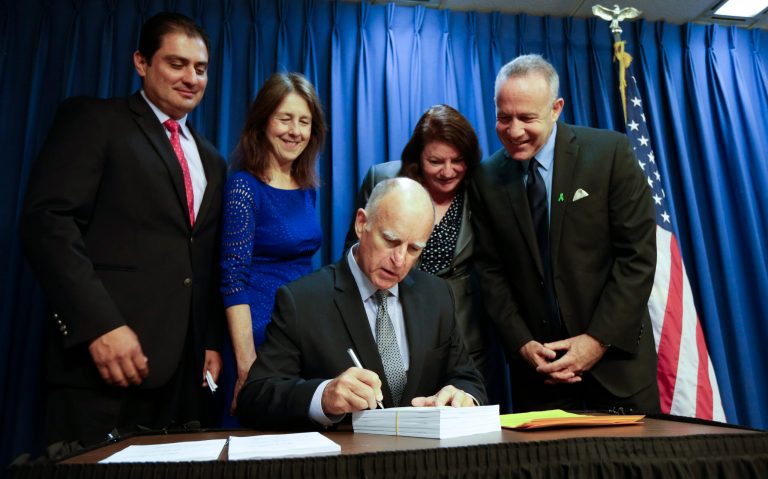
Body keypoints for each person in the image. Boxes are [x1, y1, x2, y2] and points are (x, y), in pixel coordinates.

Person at [20, 12, 226, 446]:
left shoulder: (213, 159)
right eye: (176, 63)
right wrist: (98, 325)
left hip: (182, 381)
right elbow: (48, 224)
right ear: (141, 62)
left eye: (201, 68)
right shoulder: (95, 120)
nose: (191, 77)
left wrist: (207, 341)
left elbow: (200, 259)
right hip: (101, 370)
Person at [469, 54, 660, 413]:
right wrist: (522, 343)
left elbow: (637, 258)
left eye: (527, 118)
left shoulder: (610, 153)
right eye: (503, 117)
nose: (513, 131)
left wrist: (596, 341)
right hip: (540, 378)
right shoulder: (486, 180)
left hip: (617, 373)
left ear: (556, 109)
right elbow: (490, 274)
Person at [237, 178, 487, 428]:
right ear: (361, 223)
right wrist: (323, 397)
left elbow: (467, 379)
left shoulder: (436, 294)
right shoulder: (302, 300)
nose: (399, 260)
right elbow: (255, 398)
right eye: (390, 241)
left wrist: (464, 399)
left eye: (413, 249)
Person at [343, 105, 505, 404]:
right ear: (418, 157)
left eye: (457, 161)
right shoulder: (383, 177)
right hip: (390, 326)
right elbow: (355, 255)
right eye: (435, 161)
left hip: (463, 335)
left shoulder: (482, 185)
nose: (447, 171)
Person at [219, 72, 326, 425]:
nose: (295, 130)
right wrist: (247, 365)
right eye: (285, 118)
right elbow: (232, 279)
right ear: (264, 120)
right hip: (258, 340)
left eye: (304, 121)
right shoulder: (243, 188)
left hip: (299, 338)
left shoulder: (307, 186)